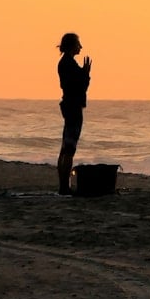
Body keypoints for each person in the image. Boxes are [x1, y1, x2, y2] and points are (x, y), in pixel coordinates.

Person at [56, 32, 92, 195]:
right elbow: (79, 87)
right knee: (69, 148)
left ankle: (64, 185)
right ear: (72, 46)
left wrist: (84, 74)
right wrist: (85, 74)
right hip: (73, 107)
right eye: (78, 44)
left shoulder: (66, 63)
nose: (81, 47)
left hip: (69, 106)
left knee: (65, 147)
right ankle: (64, 186)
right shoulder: (68, 64)